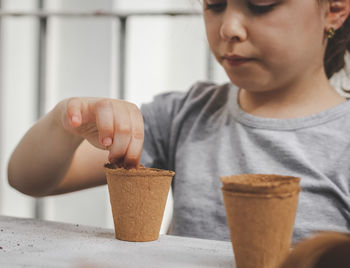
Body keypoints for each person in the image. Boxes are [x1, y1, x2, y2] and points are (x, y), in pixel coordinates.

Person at [8, 0, 350, 244]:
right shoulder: (183, 115)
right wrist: (68, 121)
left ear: (334, 9)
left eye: (260, 5)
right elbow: (29, 178)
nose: (229, 27)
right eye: (214, 5)